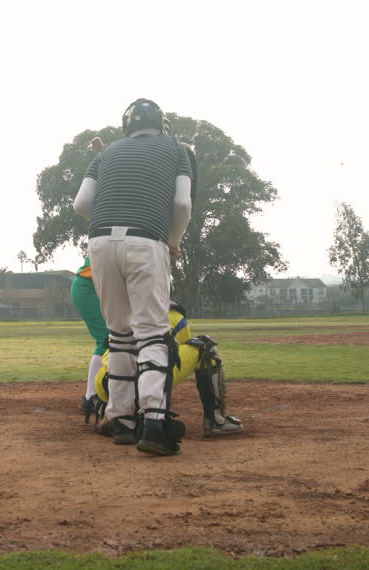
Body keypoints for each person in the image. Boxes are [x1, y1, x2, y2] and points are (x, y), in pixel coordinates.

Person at [73, 98, 193, 456]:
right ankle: (154, 422)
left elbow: (81, 204)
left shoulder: (106, 152)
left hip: (98, 242)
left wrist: (111, 222)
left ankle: (120, 419)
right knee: (152, 333)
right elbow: (182, 204)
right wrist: (173, 240)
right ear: (162, 124)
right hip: (146, 240)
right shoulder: (177, 149)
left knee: (119, 334)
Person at [91, 302, 243, 437]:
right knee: (205, 347)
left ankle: (111, 412)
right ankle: (216, 420)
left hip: (107, 385)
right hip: (140, 385)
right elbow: (174, 357)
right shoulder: (175, 315)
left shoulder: (129, 311)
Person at [70, 255, 109, 422]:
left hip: (97, 288)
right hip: (88, 287)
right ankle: (90, 398)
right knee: (108, 339)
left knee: (116, 338)